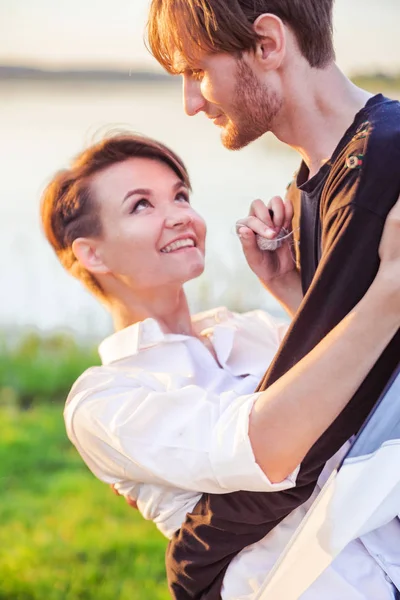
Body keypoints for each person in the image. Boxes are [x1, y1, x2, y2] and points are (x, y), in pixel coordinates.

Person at [41, 133, 400, 599]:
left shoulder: (249, 328)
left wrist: (294, 295)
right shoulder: (104, 402)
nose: (180, 217)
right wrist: (389, 290)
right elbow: (267, 451)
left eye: (180, 195)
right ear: (93, 253)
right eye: (141, 206)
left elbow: (361, 403)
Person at [145, 0, 400, 597]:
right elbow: (366, 371)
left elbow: (301, 441)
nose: (190, 102)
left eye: (197, 72)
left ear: (266, 44)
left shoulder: (379, 166)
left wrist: (195, 555)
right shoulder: (315, 181)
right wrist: (295, 293)